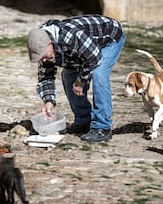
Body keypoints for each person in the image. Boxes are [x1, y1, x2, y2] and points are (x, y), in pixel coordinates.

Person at [26, 14, 125, 142]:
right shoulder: (41, 42)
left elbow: (94, 57)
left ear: (50, 44)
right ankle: (84, 120)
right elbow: (46, 77)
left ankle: (102, 127)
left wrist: (82, 80)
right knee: (68, 76)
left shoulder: (70, 36)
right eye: (41, 58)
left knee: (98, 74)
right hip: (84, 49)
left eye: (45, 56)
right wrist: (49, 101)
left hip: (109, 37)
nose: (44, 60)